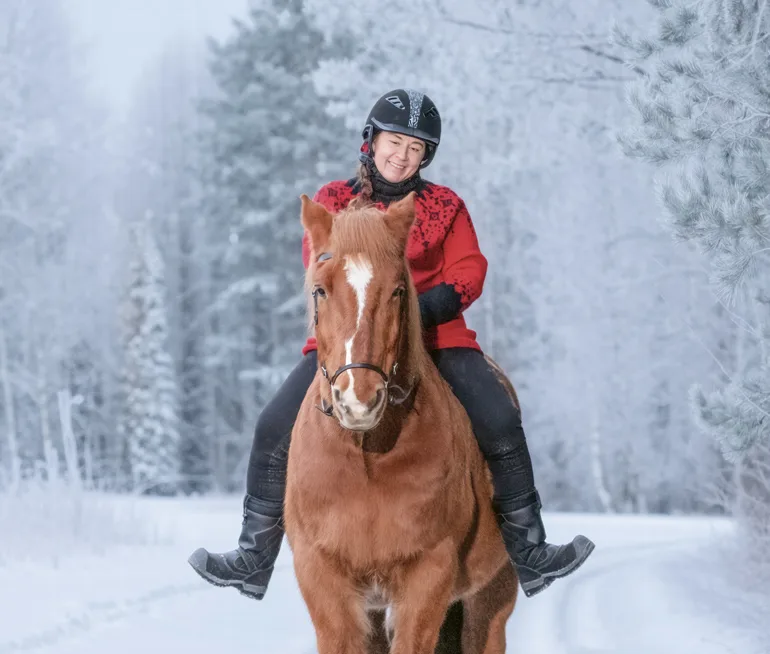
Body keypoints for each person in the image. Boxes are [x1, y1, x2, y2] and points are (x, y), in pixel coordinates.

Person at [188, 88, 595, 601]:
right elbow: (317, 264)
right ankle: (254, 554)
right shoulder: (334, 201)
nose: (402, 155)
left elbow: (471, 268)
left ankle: (530, 551)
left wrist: (423, 308)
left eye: (416, 148)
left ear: (427, 157)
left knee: (498, 416)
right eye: (394, 141)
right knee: (273, 424)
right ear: (371, 140)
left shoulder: (445, 207)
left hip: (436, 338)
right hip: (346, 342)